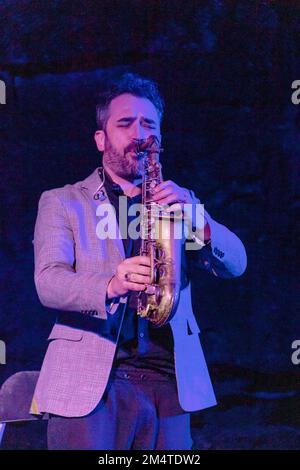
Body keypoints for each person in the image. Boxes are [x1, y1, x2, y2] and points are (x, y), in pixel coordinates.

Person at [30, 72, 247, 450]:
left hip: (170, 383)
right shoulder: (62, 200)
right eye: (125, 123)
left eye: (149, 123)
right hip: (92, 383)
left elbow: (237, 263)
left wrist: (199, 218)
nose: (140, 133)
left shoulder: (180, 201)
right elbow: (49, 281)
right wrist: (110, 284)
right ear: (101, 138)